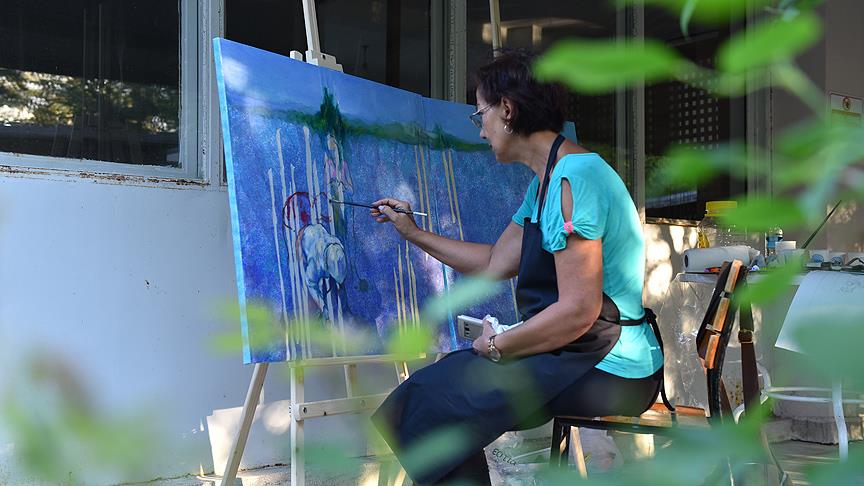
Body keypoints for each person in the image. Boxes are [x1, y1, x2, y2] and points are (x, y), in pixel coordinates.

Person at [369, 51, 666, 485]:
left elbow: (579, 311)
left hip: (612, 367)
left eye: (480, 114)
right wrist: (412, 233)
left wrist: (497, 345)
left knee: (434, 402)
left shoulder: (575, 179)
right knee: (427, 395)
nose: (481, 129)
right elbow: (494, 262)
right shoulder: (545, 183)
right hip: (577, 350)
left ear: (507, 109)